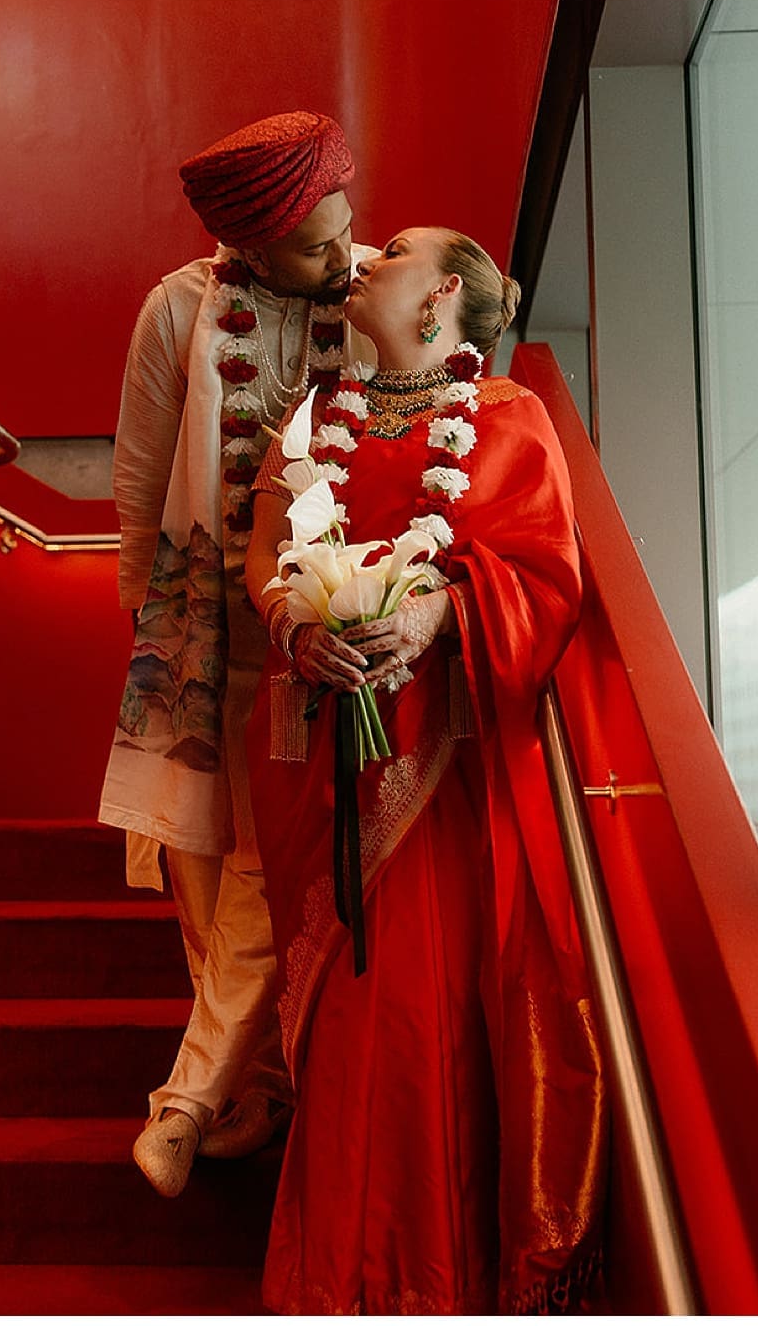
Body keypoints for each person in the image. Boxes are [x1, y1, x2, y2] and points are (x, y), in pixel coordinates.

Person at [242, 227, 607, 1312]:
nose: (367, 253)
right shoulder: (318, 416)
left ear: (443, 292)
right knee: (345, 1024)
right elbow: (266, 551)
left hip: (443, 777)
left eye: (395, 248)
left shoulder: (506, 415)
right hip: (328, 751)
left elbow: (547, 575)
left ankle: (429, 1286)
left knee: (417, 1022)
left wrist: (439, 614)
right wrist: (295, 624)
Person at [98, 111, 376, 1198]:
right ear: (249, 248)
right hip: (204, 632)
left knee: (267, 871)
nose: (342, 257)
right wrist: (152, 634)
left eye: (344, 227)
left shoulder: (373, 291)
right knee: (205, 872)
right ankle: (256, 1091)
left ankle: (191, 1101)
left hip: (319, 638)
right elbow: (140, 477)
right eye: (313, 246)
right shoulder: (178, 310)